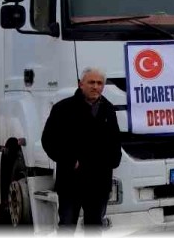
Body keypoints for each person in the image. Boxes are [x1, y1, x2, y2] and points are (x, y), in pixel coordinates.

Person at [41, 67, 122, 232]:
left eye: (99, 83)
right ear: (80, 84)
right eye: (91, 82)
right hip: (71, 181)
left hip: (99, 182)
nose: (95, 86)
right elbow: (48, 140)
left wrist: (113, 161)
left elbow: (115, 140)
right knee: (67, 226)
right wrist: (69, 161)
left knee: (95, 227)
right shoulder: (62, 109)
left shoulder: (108, 109)